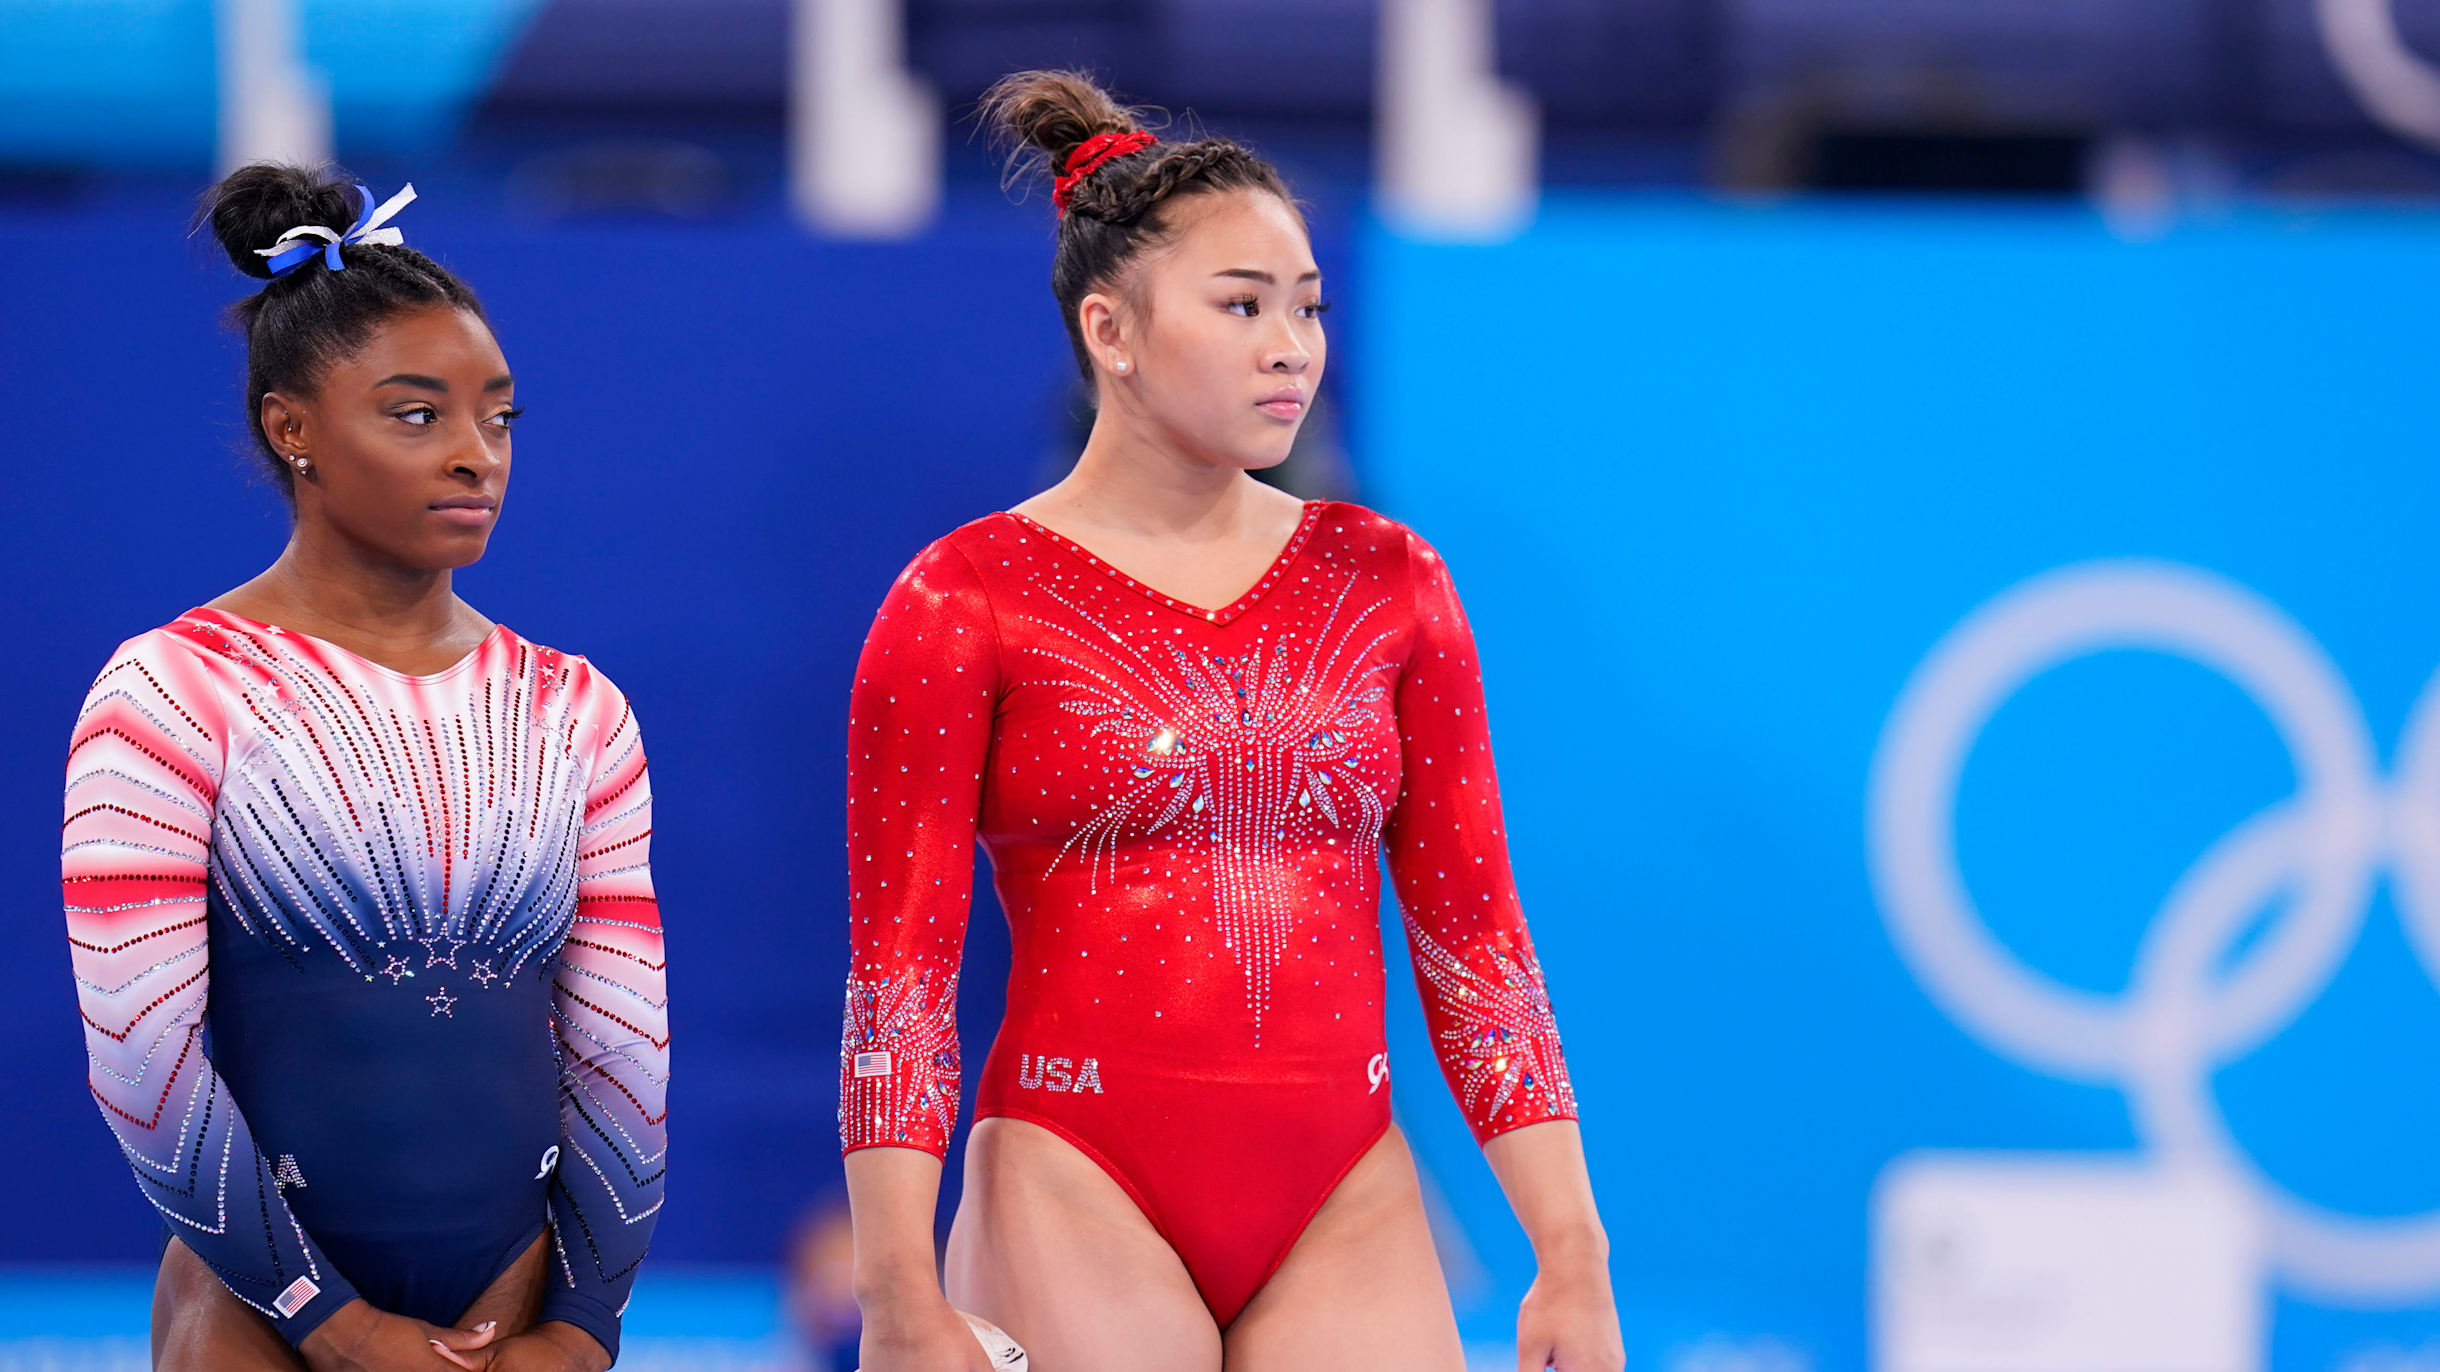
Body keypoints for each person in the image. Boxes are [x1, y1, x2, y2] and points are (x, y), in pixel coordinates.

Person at [839, 72, 1624, 1372]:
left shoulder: (1391, 583)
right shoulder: (962, 599)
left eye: (1307, 306)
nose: (1292, 347)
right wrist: (895, 1297)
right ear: (1114, 330)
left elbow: (1477, 945)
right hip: (1078, 1169)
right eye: (1243, 305)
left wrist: (1571, 1251)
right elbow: (900, 983)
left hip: (1340, 1186)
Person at [61, 163, 667, 1372]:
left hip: (515, 1298)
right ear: (293, 430)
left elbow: (623, 1052)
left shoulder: (576, 710)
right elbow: (141, 1050)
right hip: (256, 1301)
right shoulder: (173, 690)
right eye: (415, 413)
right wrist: (325, 1318)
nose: (473, 455)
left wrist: (587, 1330)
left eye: (498, 416)